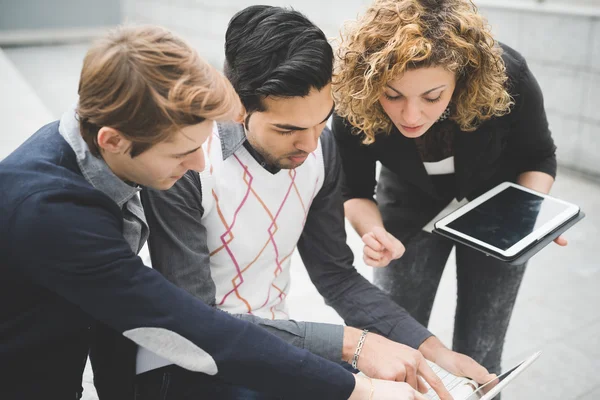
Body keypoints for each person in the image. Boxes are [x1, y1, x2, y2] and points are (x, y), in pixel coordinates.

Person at [0, 25, 423, 400]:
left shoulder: (89, 130)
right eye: (183, 153)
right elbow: (183, 324)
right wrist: (357, 385)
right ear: (113, 141)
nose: (200, 166)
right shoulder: (51, 213)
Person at [136, 6, 494, 400]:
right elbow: (198, 322)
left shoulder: (321, 149)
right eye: (287, 129)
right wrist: (352, 344)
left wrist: (435, 351)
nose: (308, 145)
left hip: (278, 348)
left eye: (321, 122)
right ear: (237, 107)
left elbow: (336, 276)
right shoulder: (185, 161)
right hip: (184, 364)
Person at [331, 0, 563, 388]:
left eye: (432, 97)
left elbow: (540, 157)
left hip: (497, 212)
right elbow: (353, 189)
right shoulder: (354, 98)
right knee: (393, 343)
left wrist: (529, 212)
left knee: (482, 349)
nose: (410, 116)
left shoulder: (508, 76)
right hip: (407, 210)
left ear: (463, 79)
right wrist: (373, 232)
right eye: (392, 96)